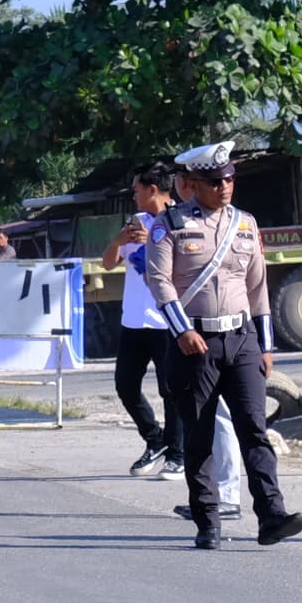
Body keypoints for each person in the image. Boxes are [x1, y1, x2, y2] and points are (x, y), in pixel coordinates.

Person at [147, 142, 302, 548]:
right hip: (194, 344)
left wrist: (266, 346)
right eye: (216, 181)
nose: (226, 186)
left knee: (254, 430)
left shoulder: (246, 225)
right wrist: (182, 330)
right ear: (193, 185)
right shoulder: (170, 225)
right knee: (199, 437)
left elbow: (258, 288)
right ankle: (208, 520)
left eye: (230, 178)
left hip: (241, 341)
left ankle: (272, 515)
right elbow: (159, 282)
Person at [107, 166, 178, 476]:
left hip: (166, 321)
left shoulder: (181, 220)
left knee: (171, 390)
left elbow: (185, 265)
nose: (133, 194)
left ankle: (178, 453)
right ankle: (155, 440)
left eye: (137, 189)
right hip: (134, 321)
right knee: (125, 384)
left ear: (152, 189)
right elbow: (108, 264)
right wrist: (118, 240)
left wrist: (153, 240)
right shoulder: (134, 223)